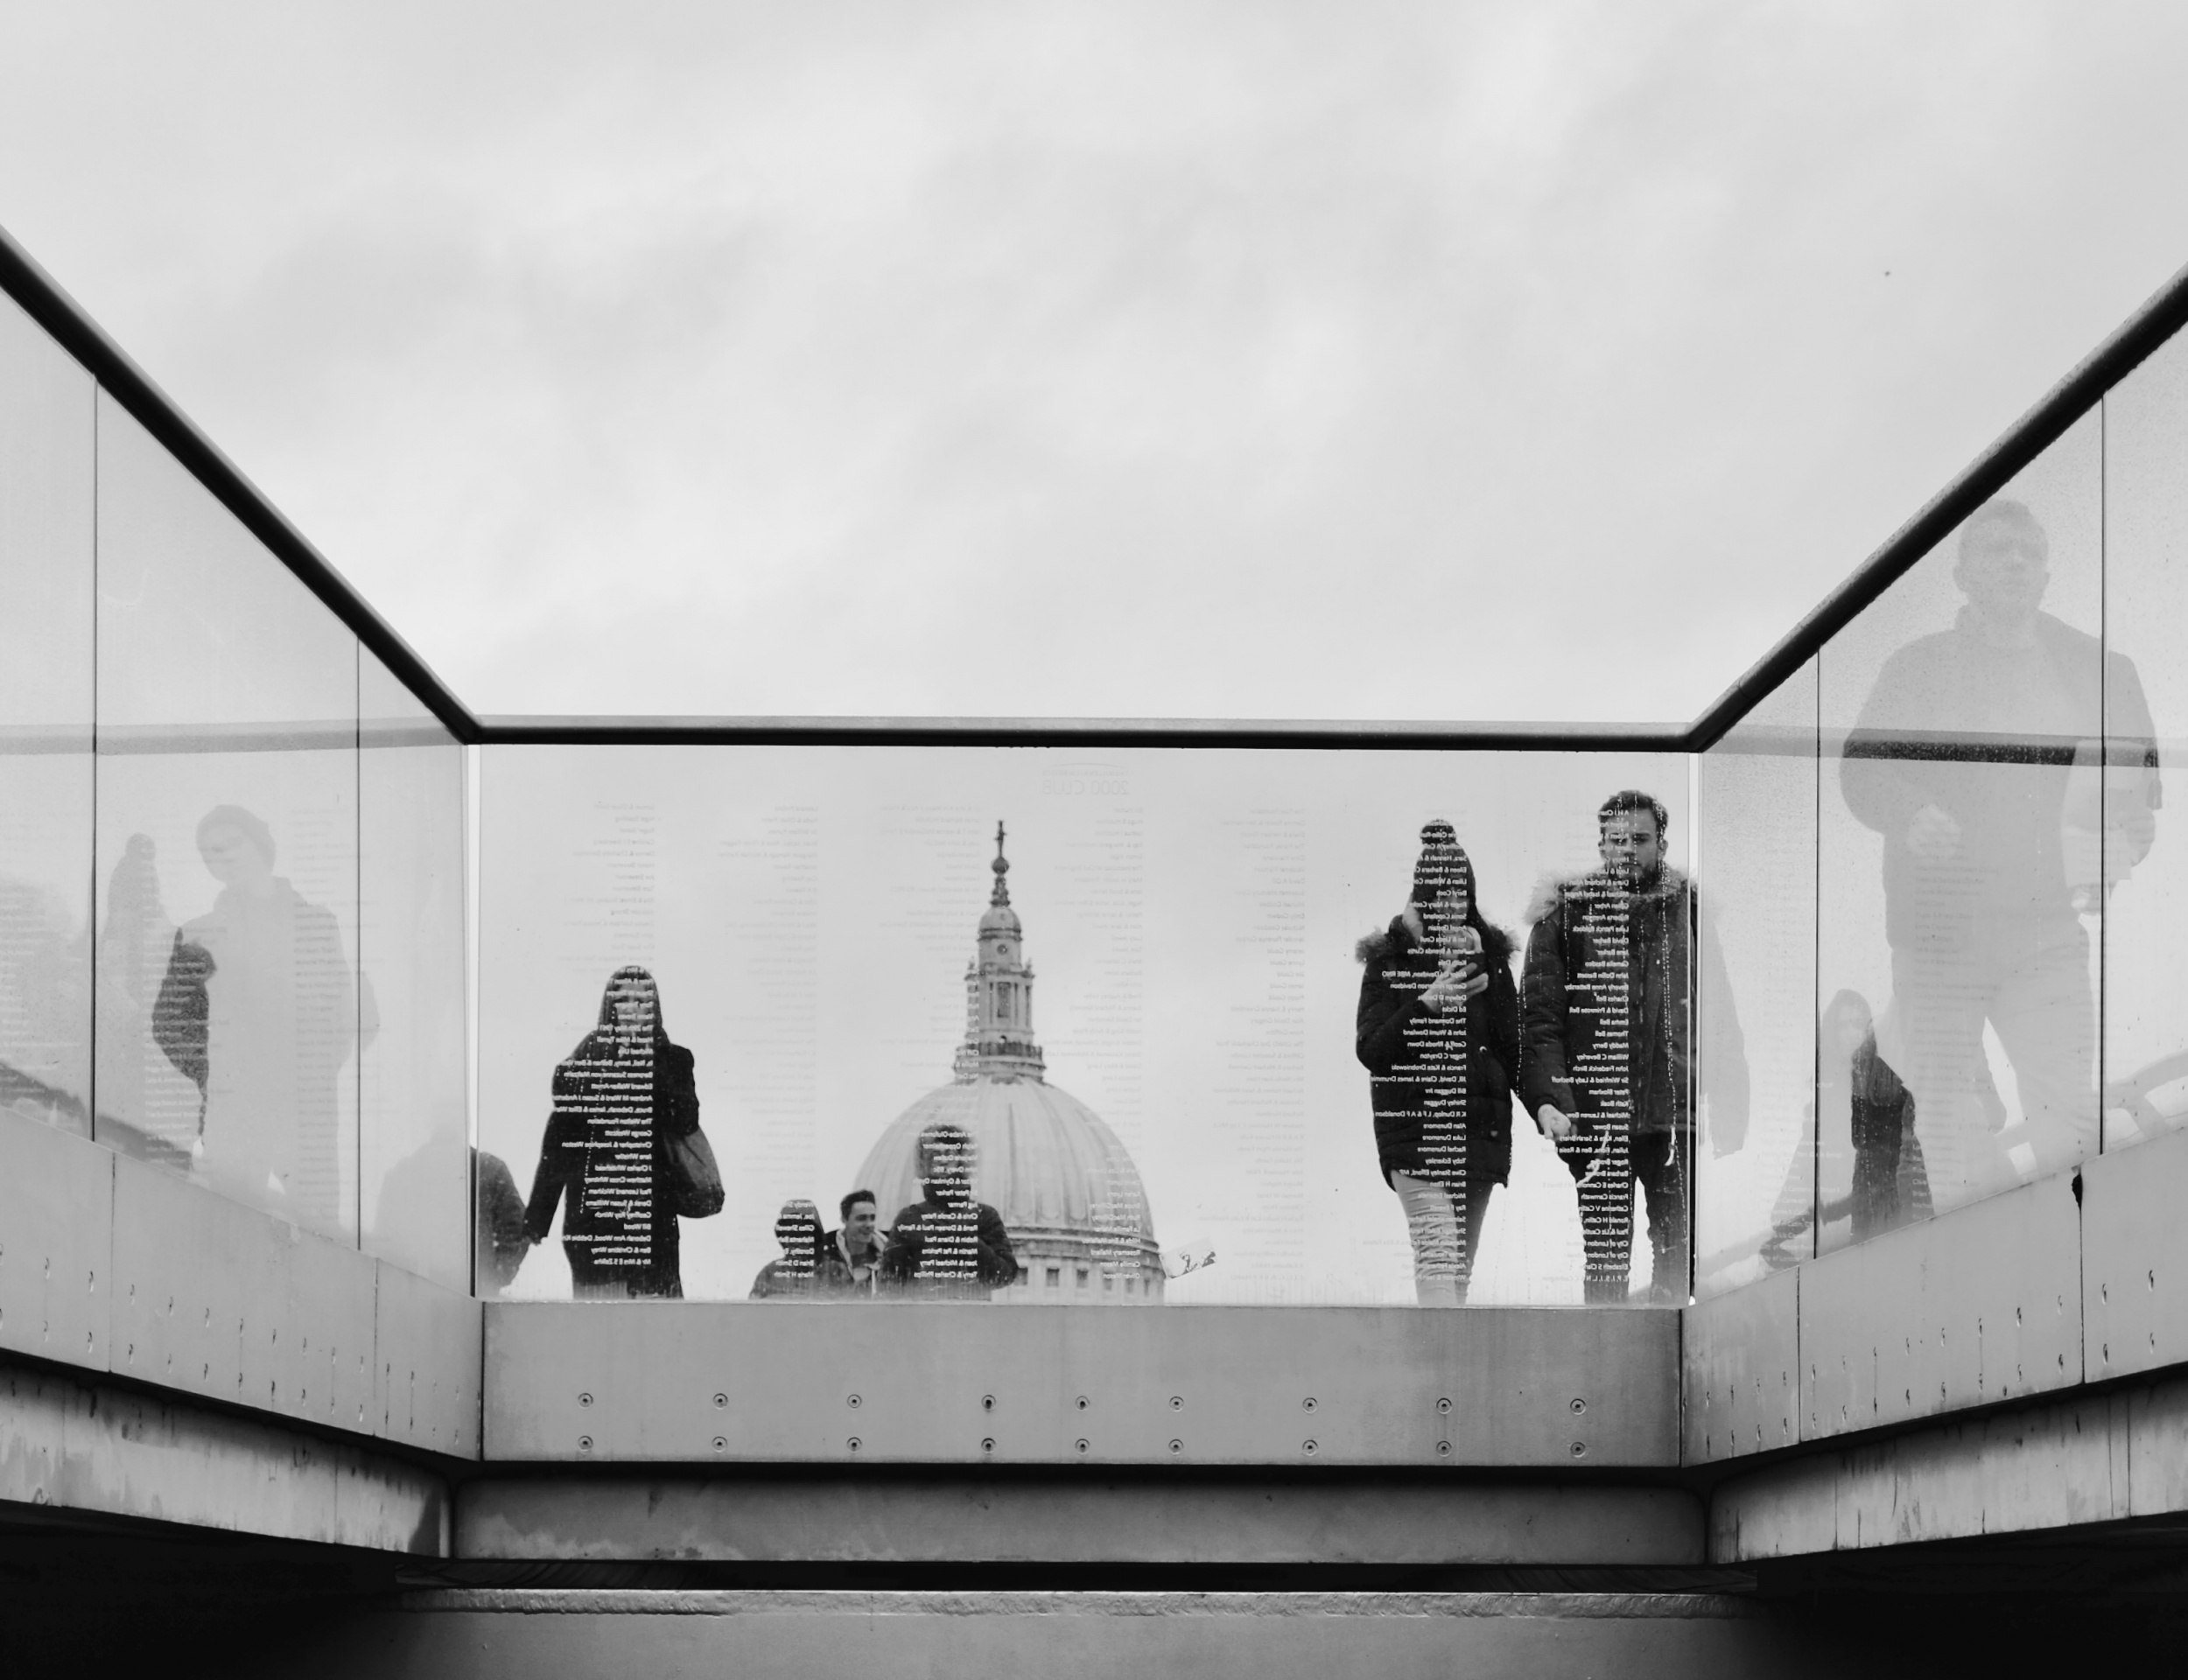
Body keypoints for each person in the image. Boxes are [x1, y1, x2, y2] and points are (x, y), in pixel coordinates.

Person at [1841, 499, 2158, 1208]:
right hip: (1937, 934)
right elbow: (1860, 769)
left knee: (2070, 1116)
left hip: (2043, 929)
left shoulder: (2096, 669)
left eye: (2028, 552)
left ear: (2046, 574)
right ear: (1961, 576)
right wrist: (1909, 812)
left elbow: (2141, 797)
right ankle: (1997, 1256)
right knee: (1952, 1128)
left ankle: (2080, 1248)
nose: (2015, 562)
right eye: (1996, 551)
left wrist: (2120, 847)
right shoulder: (1917, 667)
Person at [1521, 790, 1749, 1305]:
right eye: (1617, 840)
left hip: (1673, 1119)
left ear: (1661, 845)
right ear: (1601, 845)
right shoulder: (1565, 917)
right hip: (1597, 1118)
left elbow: (1717, 1010)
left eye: (1640, 839)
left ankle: (1668, 1348)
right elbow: (1539, 1022)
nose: (1627, 850)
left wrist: (1732, 1099)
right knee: (1606, 1258)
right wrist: (1554, 1102)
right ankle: (1609, 1352)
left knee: (1678, 1252)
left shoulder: (1687, 913)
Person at [152, 806, 359, 1230]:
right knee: (230, 1233)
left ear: (261, 845)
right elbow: (169, 1022)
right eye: (210, 852)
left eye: (232, 843)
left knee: (320, 1237)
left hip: (305, 1112)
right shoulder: (199, 933)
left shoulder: (316, 924)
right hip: (234, 1112)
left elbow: (339, 1017)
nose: (223, 857)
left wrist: (311, 1075)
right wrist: (216, 1074)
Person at [1355, 821, 1520, 1306]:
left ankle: (1448, 1353)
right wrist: (1427, 1003)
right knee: (1437, 1254)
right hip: (1415, 1134)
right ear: (1422, 897)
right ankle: (1437, 1353)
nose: (1452, 905)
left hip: (1478, 1132)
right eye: (1441, 894)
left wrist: (1549, 1104)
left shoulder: (1489, 960)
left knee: (1459, 1271)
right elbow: (1372, 1049)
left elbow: (1515, 1048)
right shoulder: (1389, 962)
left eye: (1461, 894)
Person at [522, 967, 701, 1299]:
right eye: (625, 1000)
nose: (633, 1009)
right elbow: (559, 1146)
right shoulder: (580, 1067)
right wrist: (537, 1219)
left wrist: (651, 1062)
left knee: (659, 1324)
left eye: (642, 1001)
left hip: (650, 1226)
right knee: (600, 1326)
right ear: (611, 1007)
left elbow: (686, 1122)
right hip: (595, 1225)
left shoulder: (674, 1060)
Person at [881, 1121, 1019, 1297]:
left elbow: (1006, 1274)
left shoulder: (984, 1216)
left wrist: (968, 1240)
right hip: (924, 1311)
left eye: (949, 1154)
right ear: (926, 1164)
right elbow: (889, 1283)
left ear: (961, 1160)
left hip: (970, 1311)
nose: (943, 1161)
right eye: (935, 1155)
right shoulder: (909, 1218)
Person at [749, 1200, 825, 1298]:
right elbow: (753, 1305)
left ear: (815, 1237)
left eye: (803, 1233)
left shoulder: (834, 1271)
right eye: (791, 1234)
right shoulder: (770, 1273)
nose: (796, 1241)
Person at [818, 1188, 887, 1295]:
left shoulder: (891, 1255)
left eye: (872, 1218)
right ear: (844, 1219)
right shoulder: (823, 1256)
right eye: (862, 1218)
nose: (869, 1225)